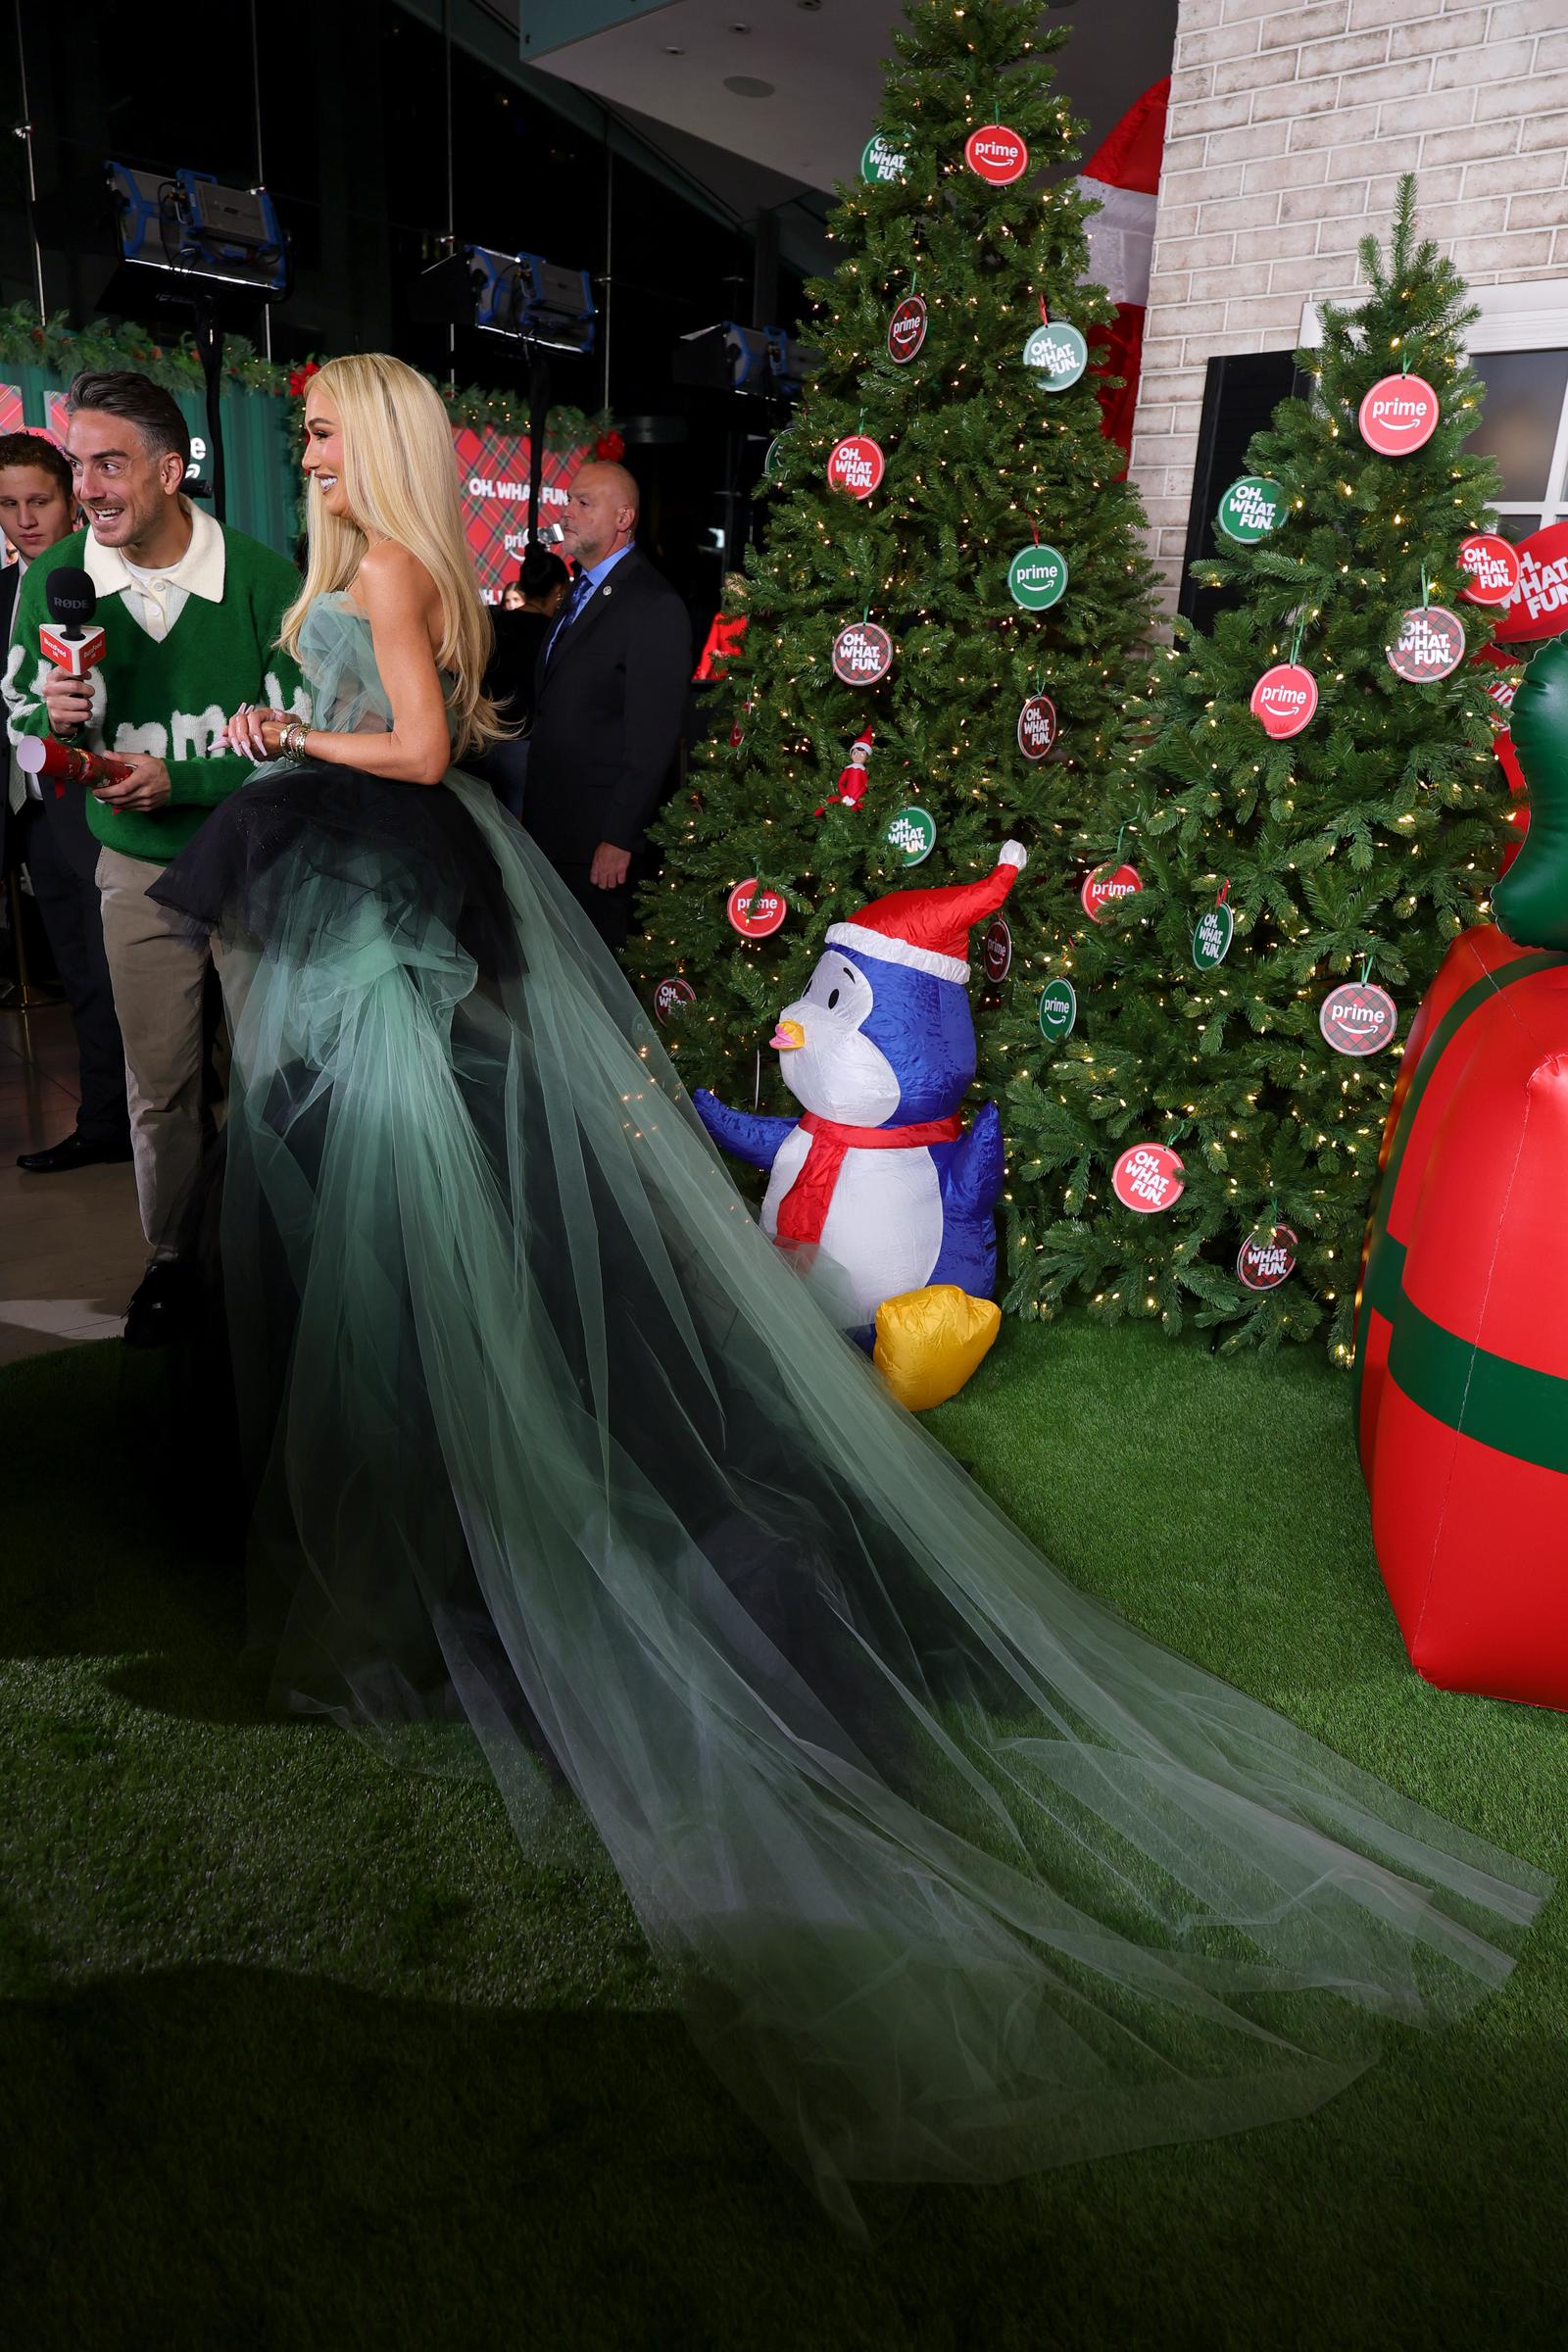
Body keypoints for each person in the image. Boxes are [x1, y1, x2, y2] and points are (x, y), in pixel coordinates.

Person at [148, 352, 1544, 2240]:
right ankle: (412, 1494)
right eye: (299, 426)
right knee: (381, 1243)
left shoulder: (386, 570)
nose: (304, 443)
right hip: (367, 922)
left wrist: (281, 743)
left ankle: (467, 1526)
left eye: (322, 425)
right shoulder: (363, 561)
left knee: (434, 1247)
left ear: (372, 442)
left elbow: (414, 749)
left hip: (384, 909)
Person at [3, 371, 305, 1346]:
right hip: (133, 870)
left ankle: (279, 1252)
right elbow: (16, 715)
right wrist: (55, 731)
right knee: (162, 1084)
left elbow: (305, 737)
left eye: (110, 462)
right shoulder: (58, 589)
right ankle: (175, 1263)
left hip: (254, 860)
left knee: (271, 1076)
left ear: (171, 471)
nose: (87, 486)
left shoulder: (259, 577)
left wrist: (185, 781)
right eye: (78, 463)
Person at [0, 431, 132, 1171]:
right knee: (80, 973)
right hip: (33, 813)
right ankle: (104, 1120)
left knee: (125, 973)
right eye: (8, 504)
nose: (24, 518)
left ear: (71, 499)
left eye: (38, 500)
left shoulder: (104, 581)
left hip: (104, 801)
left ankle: (150, 1118)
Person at [521, 460, 689, 952]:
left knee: (596, 987)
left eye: (583, 503)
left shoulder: (653, 605)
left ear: (623, 518)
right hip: (553, 826)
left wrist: (618, 838)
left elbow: (651, 740)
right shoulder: (580, 589)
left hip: (597, 843)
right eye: (569, 500)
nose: (566, 512)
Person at [472, 544, 569, 820]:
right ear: (558, 590)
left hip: (488, 740)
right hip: (529, 746)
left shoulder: (494, 623)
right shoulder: (555, 636)